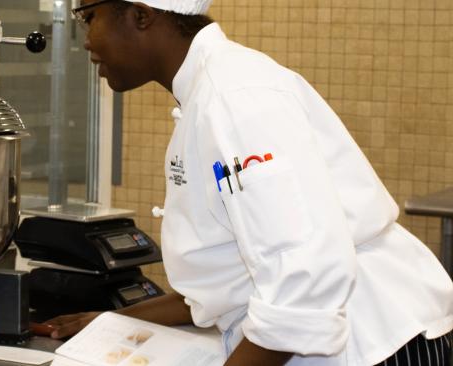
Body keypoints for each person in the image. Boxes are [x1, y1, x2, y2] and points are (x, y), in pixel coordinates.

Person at [45, 0, 453, 365]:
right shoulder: (212, 92)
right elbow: (232, 281)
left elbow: (305, 276)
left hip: (377, 342)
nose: (84, 40)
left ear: (140, 15)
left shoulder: (234, 97)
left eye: (88, 16)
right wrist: (112, 320)